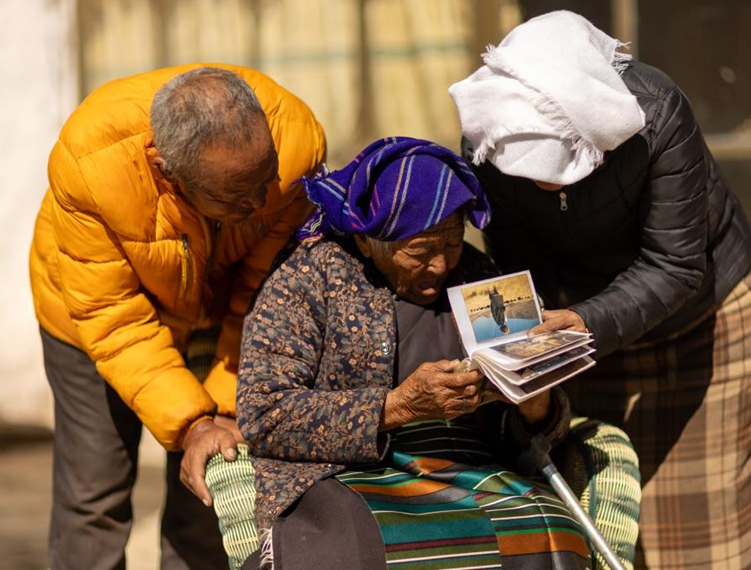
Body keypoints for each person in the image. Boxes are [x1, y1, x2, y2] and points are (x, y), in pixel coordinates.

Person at [449, 10, 751, 570]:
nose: (543, 183)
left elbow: (674, 265)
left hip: (698, 322)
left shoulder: (660, 115)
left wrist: (583, 322)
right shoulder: (490, 132)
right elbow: (509, 261)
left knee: (694, 533)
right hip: (578, 338)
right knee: (597, 520)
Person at [229, 137, 639, 570]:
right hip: (345, 477)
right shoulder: (309, 277)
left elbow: (534, 430)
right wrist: (399, 406)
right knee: (350, 549)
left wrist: (534, 402)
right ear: (367, 240)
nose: (441, 266)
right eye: (421, 252)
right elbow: (265, 415)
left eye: (452, 243)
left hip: (470, 472)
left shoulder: (481, 279)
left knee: (549, 532)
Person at [29, 64, 326, 569]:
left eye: (265, 180)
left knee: (216, 480)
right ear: (168, 172)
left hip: (219, 309)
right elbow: (114, 319)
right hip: (91, 322)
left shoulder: (296, 140)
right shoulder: (89, 165)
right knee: (94, 494)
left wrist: (227, 410)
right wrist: (192, 423)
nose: (259, 203)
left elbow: (265, 290)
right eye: (236, 197)